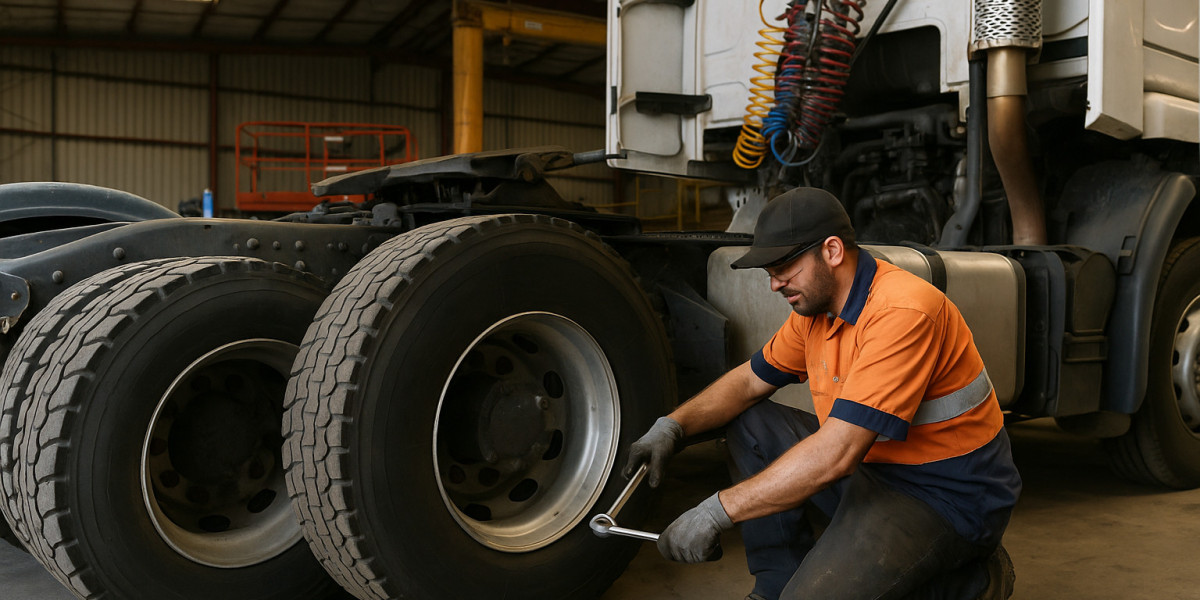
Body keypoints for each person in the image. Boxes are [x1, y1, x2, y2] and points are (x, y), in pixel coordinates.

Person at [624, 187, 1022, 600]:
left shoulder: (902, 311)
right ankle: (774, 584)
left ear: (832, 251)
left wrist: (717, 510)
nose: (774, 285)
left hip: (944, 497)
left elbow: (836, 453)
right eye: (770, 272)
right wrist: (673, 427)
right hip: (872, 468)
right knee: (750, 420)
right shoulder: (818, 312)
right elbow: (747, 383)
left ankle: (971, 580)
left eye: (784, 269)